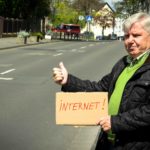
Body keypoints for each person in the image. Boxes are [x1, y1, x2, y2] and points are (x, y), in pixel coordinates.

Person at [52, 12, 150, 150]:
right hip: (109, 141)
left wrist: (116, 122)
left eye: (136, 35)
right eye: (127, 36)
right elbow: (100, 87)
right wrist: (68, 81)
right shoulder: (123, 63)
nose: (129, 40)